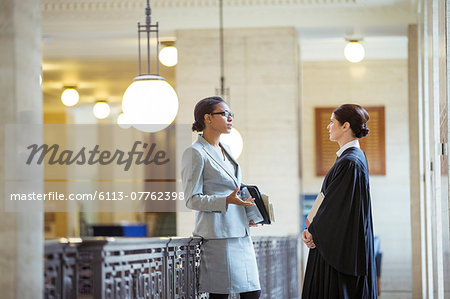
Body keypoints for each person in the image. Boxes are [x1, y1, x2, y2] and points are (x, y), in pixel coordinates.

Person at [181, 96, 262, 299]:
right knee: (221, 295)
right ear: (207, 118)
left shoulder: (227, 151)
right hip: (218, 237)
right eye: (224, 114)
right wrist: (225, 200)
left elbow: (234, 189)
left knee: (253, 293)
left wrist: (250, 212)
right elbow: (192, 199)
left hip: (240, 233)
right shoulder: (195, 153)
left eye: (231, 114)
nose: (230, 118)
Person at [302, 104, 378, 299]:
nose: (328, 127)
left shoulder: (350, 162)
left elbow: (337, 209)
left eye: (332, 122)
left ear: (345, 126)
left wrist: (313, 231)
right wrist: (313, 228)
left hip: (339, 252)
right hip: (335, 245)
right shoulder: (350, 159)